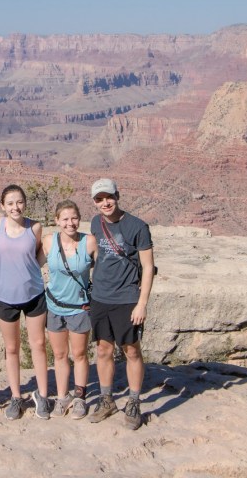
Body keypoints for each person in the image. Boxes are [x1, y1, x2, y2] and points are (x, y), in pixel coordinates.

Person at [87, 178, 155, 430]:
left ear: (117, 195)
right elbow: (96, 255)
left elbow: (148, 267)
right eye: (99, 199)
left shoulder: (137, 226)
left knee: (132, 351)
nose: (105, 203)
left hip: (127, 299)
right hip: (100, 297)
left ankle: (134, 402)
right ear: (94, 202)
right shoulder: (96, 223)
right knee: (103, 350)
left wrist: (142, 303)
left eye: (108, 197)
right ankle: (107, 400)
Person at [0, 184, 50, 420]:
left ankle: (42, 395)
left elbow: (38, 254)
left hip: (33, 294)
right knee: (11, 349)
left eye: (20, 202)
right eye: (10, 203)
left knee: (38, 345)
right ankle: (16, 396)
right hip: (5, 296)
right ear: (2, 206)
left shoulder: (34, 227)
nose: (16, 207)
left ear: (25, 203)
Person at [41, 200, 97, 420]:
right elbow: (33, 265)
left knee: (80, 354)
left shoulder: (89, 242)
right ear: (56, 221)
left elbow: (102, 273)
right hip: (54, 306)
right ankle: (62, 396)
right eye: (64, 219)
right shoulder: (48, 241)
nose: (70, 223)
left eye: (74, 218)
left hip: (80, 308)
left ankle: (80, 398)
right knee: (59, 354)